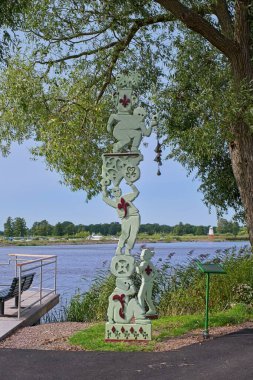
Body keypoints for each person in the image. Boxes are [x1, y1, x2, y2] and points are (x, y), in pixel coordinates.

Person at [102, 183, 140, 255]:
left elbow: (136, 192)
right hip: (125, 218)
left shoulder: (126, 197)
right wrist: (104, 189)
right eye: (115, 191)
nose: (117, 192)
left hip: (135, 216)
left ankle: (128, 249)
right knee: (125, 234)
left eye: (119, 190)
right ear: (112, 193)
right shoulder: (115, 203)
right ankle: (119, 248)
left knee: (133, 234)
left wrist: (131, 185)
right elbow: (104, 198)